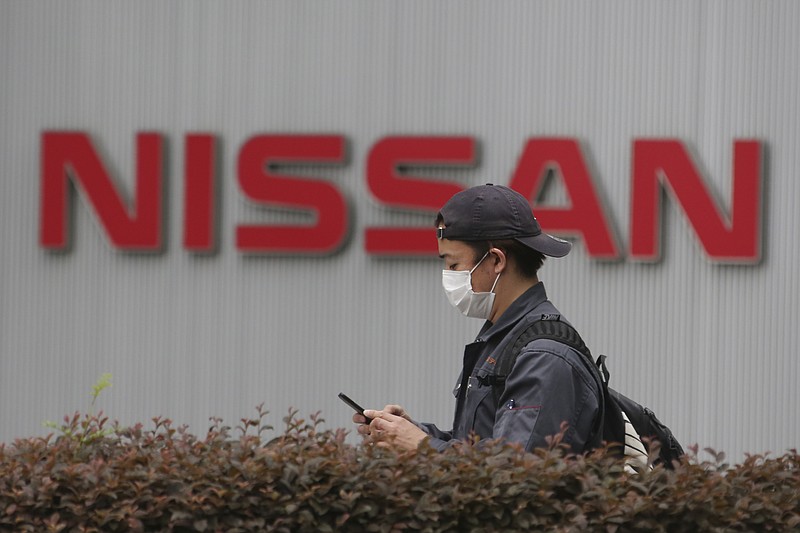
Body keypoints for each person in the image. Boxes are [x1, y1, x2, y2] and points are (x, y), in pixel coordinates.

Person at [353, 183, 601, 454]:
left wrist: (422, 446)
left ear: (496, 260)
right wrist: (411, 433)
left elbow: (515, 472)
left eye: (454, 265)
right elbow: (481, 445)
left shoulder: (544, 357)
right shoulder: (503, 339)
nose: (447, 275)